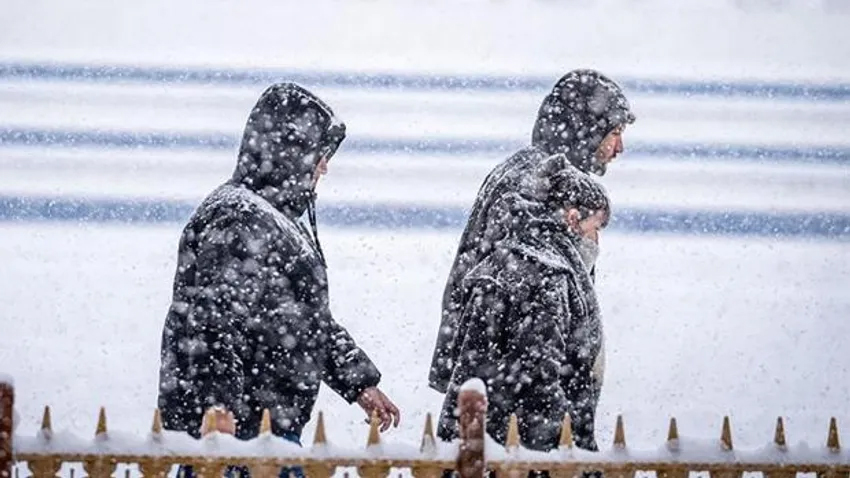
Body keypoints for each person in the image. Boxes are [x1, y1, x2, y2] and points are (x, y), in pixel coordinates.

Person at [156, 82, 400, 476]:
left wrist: (359, 383)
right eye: (320, 156)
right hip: (238, 440)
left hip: (266, 435)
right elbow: (211, 318)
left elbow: (305, 319)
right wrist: (216, 408)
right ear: (293, 152)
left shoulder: (273, 220)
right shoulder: (239, 218)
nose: (324, 167)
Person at [429, 69, 635, 425]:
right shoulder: (537, 188)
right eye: (614, 133)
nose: (619, 148)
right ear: (586, 126)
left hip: (492, 388)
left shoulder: (532, 174)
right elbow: (531, 298)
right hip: (512, 404)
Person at [435, 162, 611, 454]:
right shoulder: (545, 275)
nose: (596, 241)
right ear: (572, 218)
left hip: (479, 440)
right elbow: (536, 379)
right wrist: (571, 454)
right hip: (512, 451)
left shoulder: (507, 258)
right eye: (595, 228)